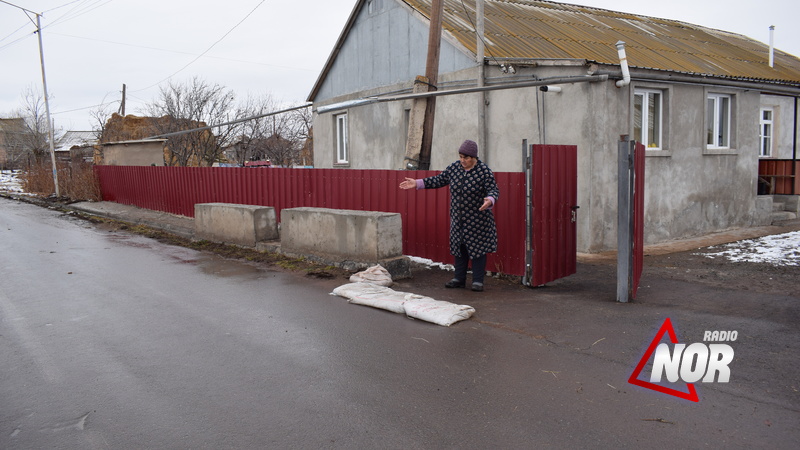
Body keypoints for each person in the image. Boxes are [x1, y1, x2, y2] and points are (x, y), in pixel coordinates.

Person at [399, 139, 499, 292]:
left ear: (474, 158)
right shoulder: (454, 168)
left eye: (466, 158)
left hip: (478, 219)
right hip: (458, 218)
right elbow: (439, 180)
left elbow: (493, 189)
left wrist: (489, 200)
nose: (462, 160)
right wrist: (418, 183)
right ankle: (459, 278)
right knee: (459, 247)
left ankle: (478, 281)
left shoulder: (484, 171)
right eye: (460, 157)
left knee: (478, 250)